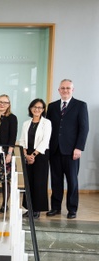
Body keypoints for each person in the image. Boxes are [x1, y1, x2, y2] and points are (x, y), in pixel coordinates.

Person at [46, 79, 89, 219]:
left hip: (72, 151)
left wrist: (79, 147)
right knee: (56, 180)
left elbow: (84, 128)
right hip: (55, 150)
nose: (65, 90)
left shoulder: (80, 105)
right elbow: (47, 128)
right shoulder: (51, 107)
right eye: (62, 88)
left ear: (72, 90)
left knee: (72, 181)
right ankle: (56, 207)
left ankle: (72, 209)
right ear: (59, 90)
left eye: (68, 88)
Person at [19, 99, 51, 219]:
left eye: (40, 107)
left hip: (41, 155)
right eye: (34, 107)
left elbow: (45, 140)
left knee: (39, 183)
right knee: (29, 183)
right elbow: (22, 139)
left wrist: (34, 155)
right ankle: (29, 208)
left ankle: (37, 209)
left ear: (43, 110)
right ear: (30, 108)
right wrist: (26, 154)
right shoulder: (26, 123)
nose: (37, 109)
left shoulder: (46, 123)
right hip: (27, 155)